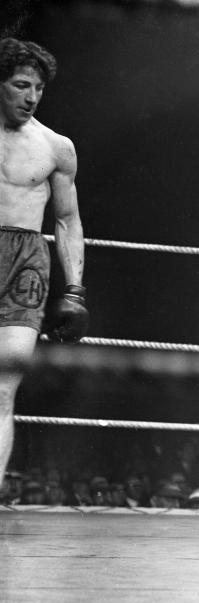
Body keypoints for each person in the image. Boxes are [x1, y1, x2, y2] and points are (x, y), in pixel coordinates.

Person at [0, 39, 89, 491]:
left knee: (2, 391)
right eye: (20, 85)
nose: (31, 97)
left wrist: (74, 290)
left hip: (25, 264)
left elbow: (67, 219)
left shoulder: (56, 147)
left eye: (38, 88)